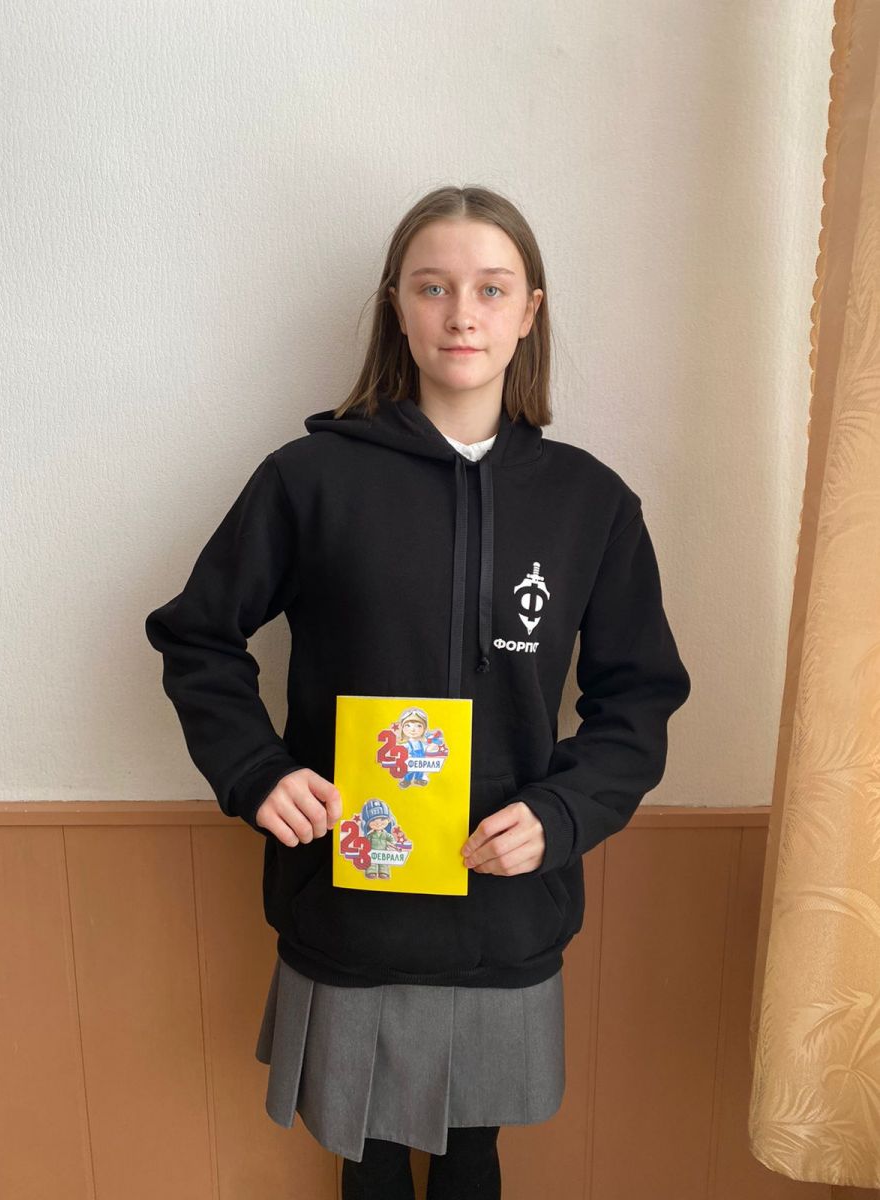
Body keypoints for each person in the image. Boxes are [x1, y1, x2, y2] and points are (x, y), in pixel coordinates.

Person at [144, 184, 692, 1199]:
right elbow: (197, 636)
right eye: (432, 287)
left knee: (475, 1156)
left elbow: (639, 699)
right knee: (367, 1158)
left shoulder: (591, 503)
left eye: (492, 288)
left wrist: (563, 812)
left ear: (530, 311)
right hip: (349, 905)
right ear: (397, 306)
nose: (462, 314)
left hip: (508, 906)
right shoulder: (309, 480)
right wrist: (257, 772)